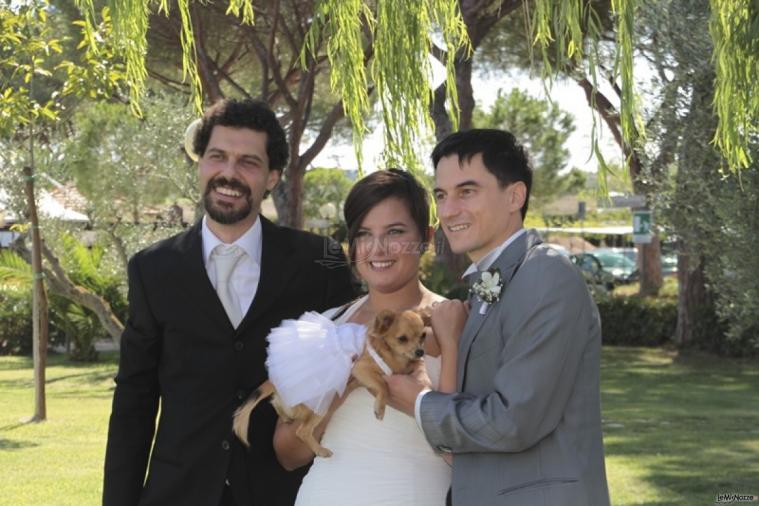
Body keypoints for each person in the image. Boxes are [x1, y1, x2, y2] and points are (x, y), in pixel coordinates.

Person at [102, 98, 355, 506]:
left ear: (272, 177)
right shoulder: (152, 269)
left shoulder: (318, 262)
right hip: (177, 493)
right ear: (201, 163)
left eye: (248, 163)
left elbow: (349, 376)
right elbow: (135, 398)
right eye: (217, 156)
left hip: (285, 493)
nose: (228, 173)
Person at [386, 129, 611, 505]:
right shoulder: (492, 280)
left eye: (467, 191)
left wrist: (419, 403)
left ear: (514, 196)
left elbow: (514, 421)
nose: (448, 210)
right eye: (441, 195)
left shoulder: (545, 273)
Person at [273, 169, 461, 506]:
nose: (378, 248)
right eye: (364, 233)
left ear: (427, 237)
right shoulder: (329, 326)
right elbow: (288, 454)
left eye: (395, 231)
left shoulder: (454, 323)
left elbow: (470, 453)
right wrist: (344, 384)